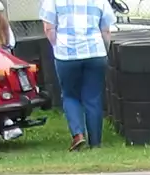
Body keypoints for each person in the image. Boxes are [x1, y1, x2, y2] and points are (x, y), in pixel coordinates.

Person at [41, 0, 113, 151]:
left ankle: (78, 135)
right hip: (95, 52)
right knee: (93, 97)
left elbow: (49, 28)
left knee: (70, 95)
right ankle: (95, 142)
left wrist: (57, 46)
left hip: (66, 55)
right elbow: (106, 30)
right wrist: (105, 49)